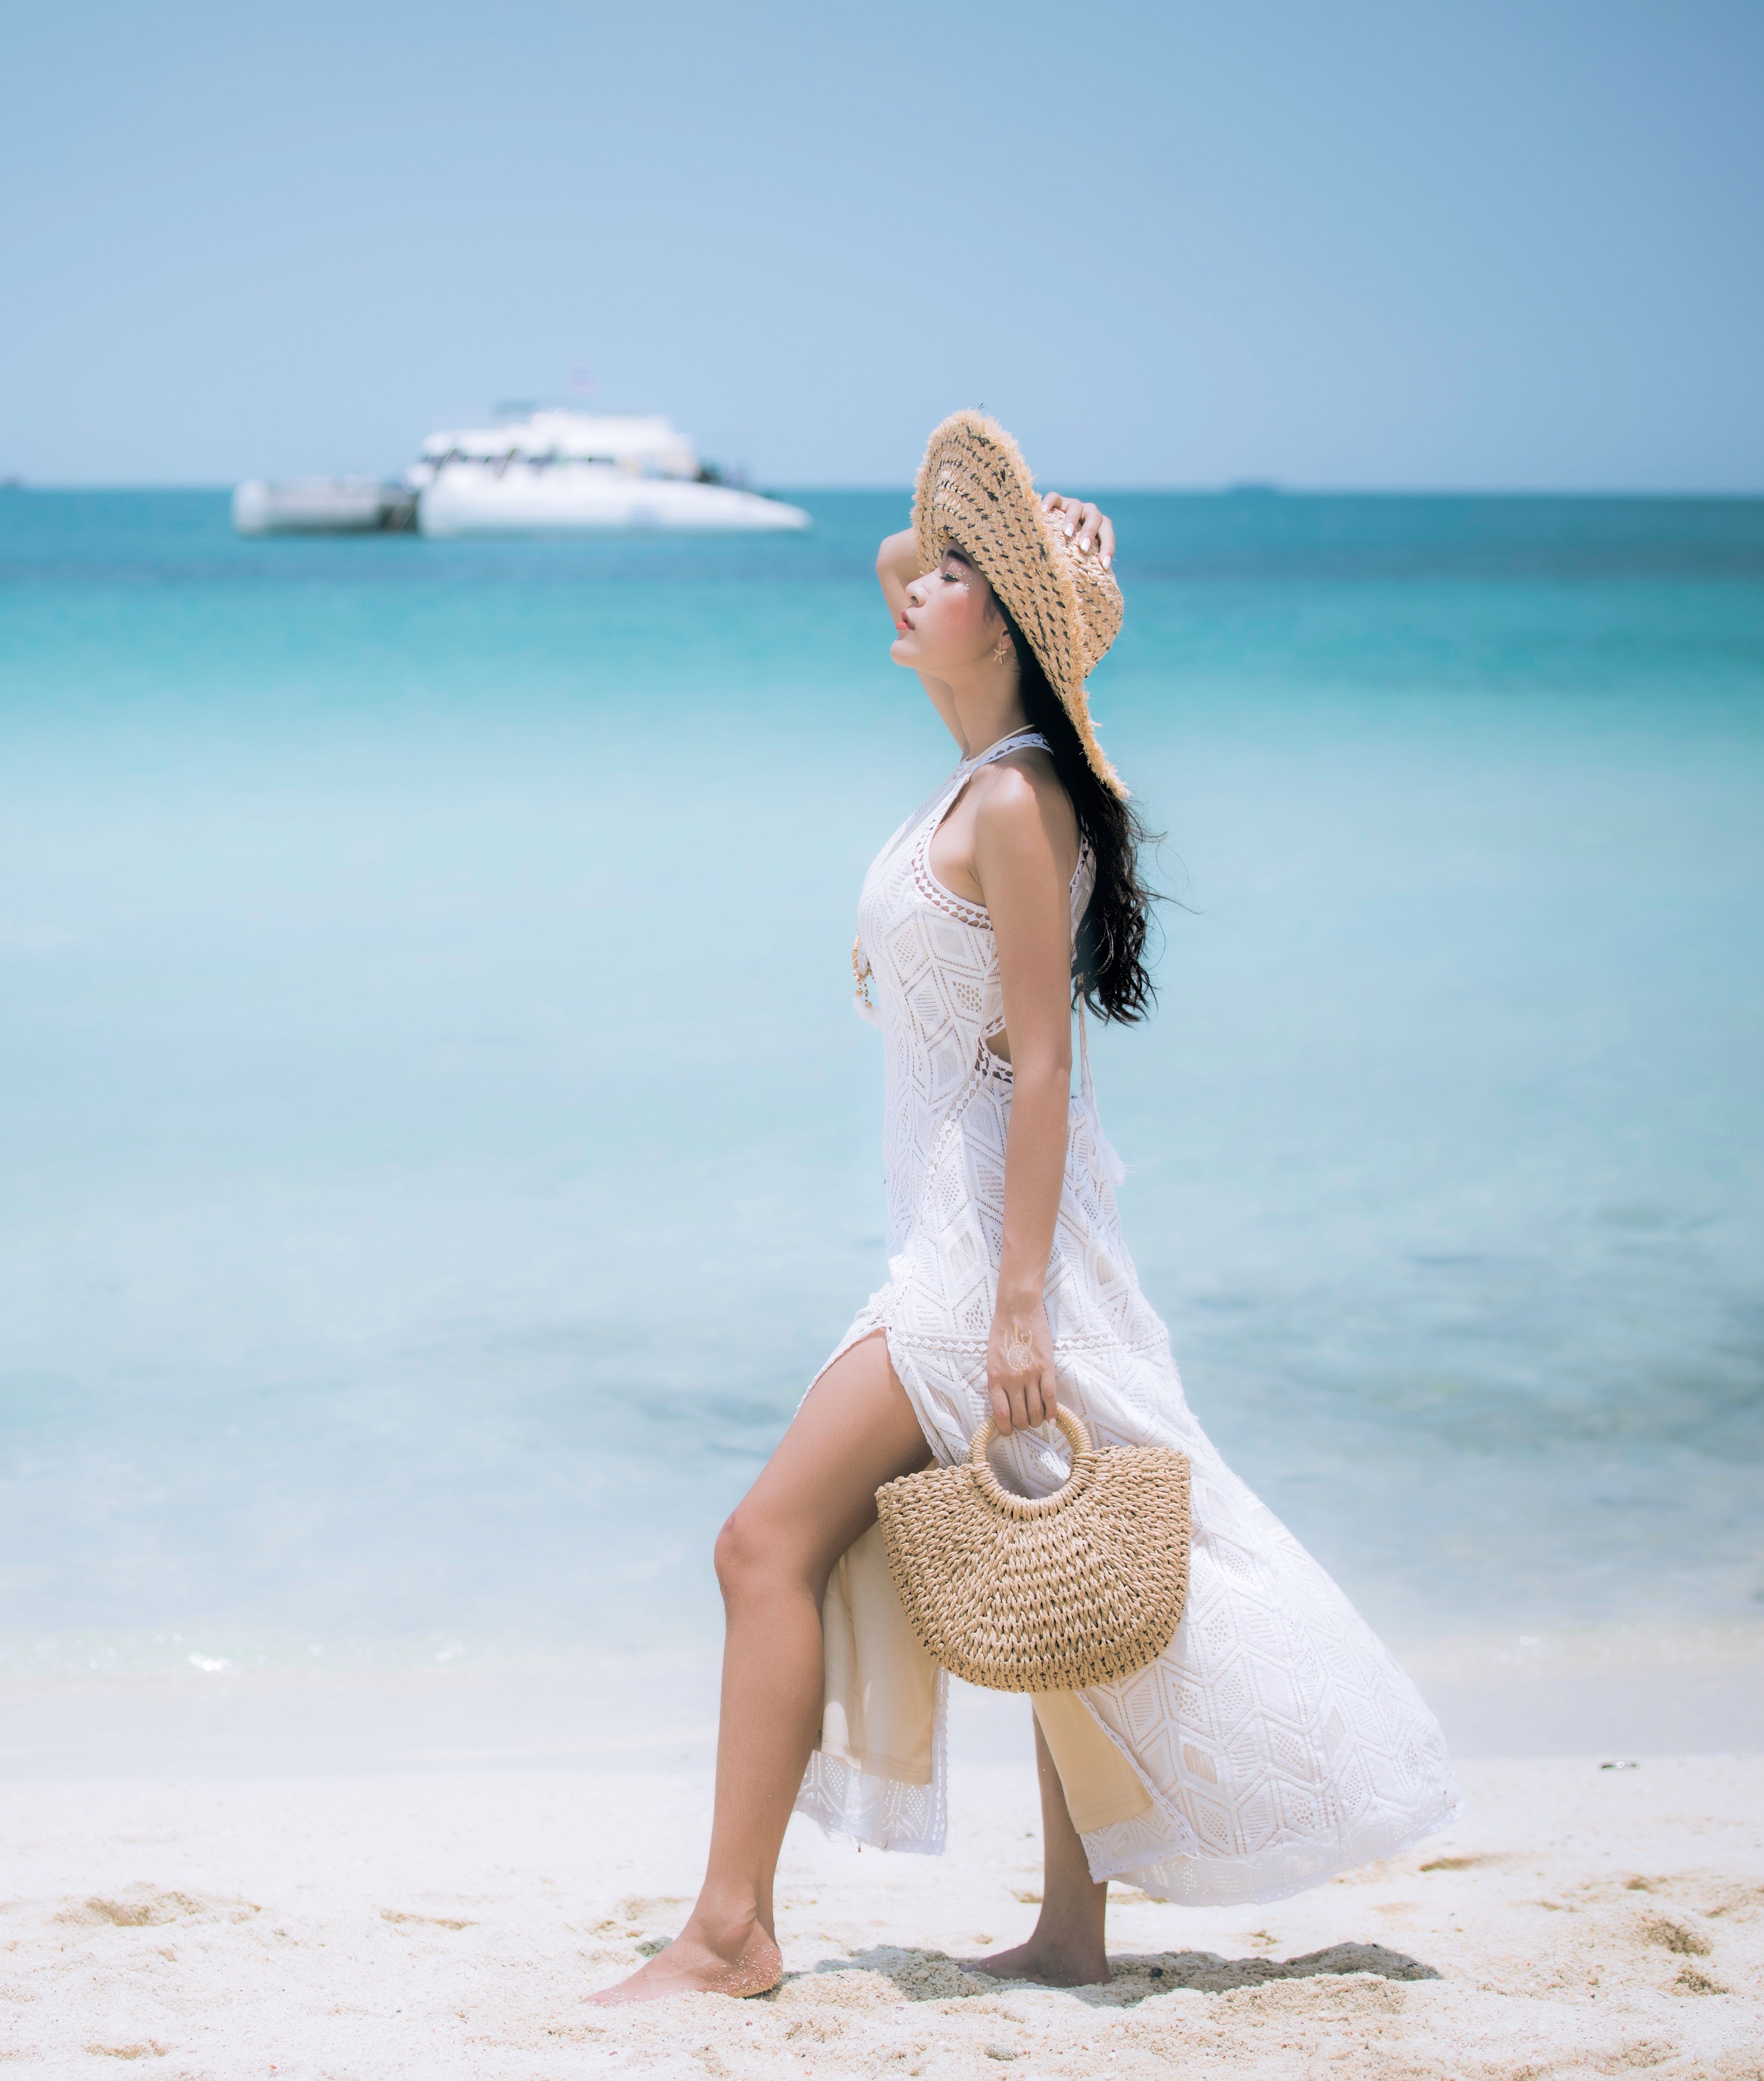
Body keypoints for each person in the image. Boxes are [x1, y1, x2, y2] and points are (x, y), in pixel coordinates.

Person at [592, 411, 1458, 2004]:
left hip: (977, 1254)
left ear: (993, 616)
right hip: (964, 1239)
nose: (906, 587)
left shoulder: (1015, 801)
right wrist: (1015, 545)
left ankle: (730, 1929)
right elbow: (890, 554)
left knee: (760, 1543)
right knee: (1058, 1565)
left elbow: (1044, 1074)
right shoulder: (986, 777)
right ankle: (1069, 1931)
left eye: (950, 573)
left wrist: (1009, 1308)